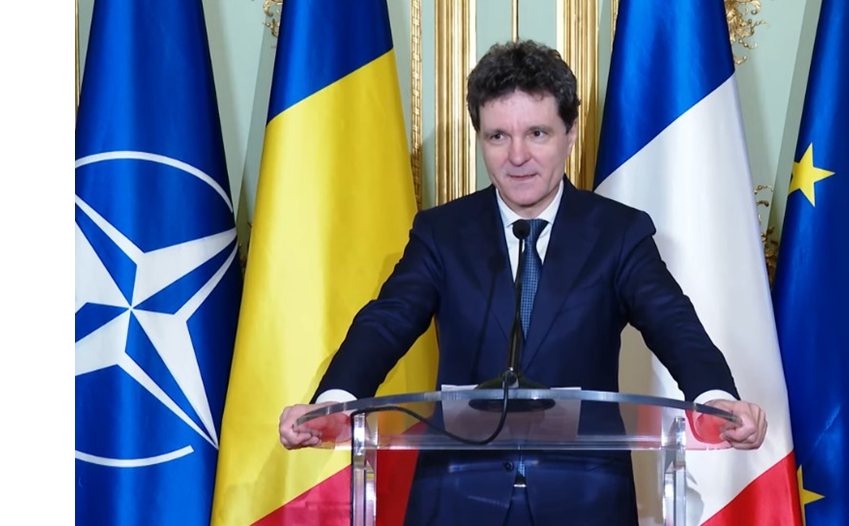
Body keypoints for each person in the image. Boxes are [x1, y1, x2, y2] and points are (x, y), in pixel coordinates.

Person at [279, 40, 766, 525]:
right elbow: (388, 321)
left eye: (537, 133)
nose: (517, 156)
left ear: (569, 133)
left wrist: (716, 400)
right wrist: (335, 402)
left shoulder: (618, 233)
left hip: (583, 500)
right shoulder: (442, 232)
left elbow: (672, 322)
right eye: (498, 136)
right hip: (458, 497)